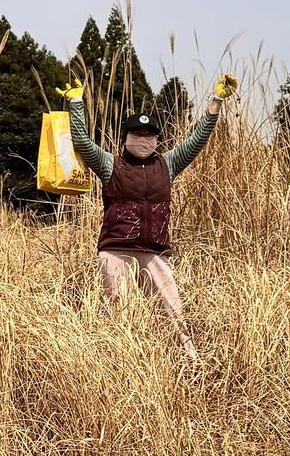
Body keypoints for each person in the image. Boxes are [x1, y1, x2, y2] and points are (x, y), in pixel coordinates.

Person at [63, 75, 237, 366]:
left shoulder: (167, 164)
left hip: (154, 251)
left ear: (157, 140)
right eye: (137, 135)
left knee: (172, 309)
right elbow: (81, 141)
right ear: (126, 138)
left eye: (150, 136)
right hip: (116, 250)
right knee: (120, 312)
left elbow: (197, 140)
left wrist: (216, 102)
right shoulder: (110, 164)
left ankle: (190, 365)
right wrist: (77, 102)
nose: (144, 141)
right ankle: (123, 366)